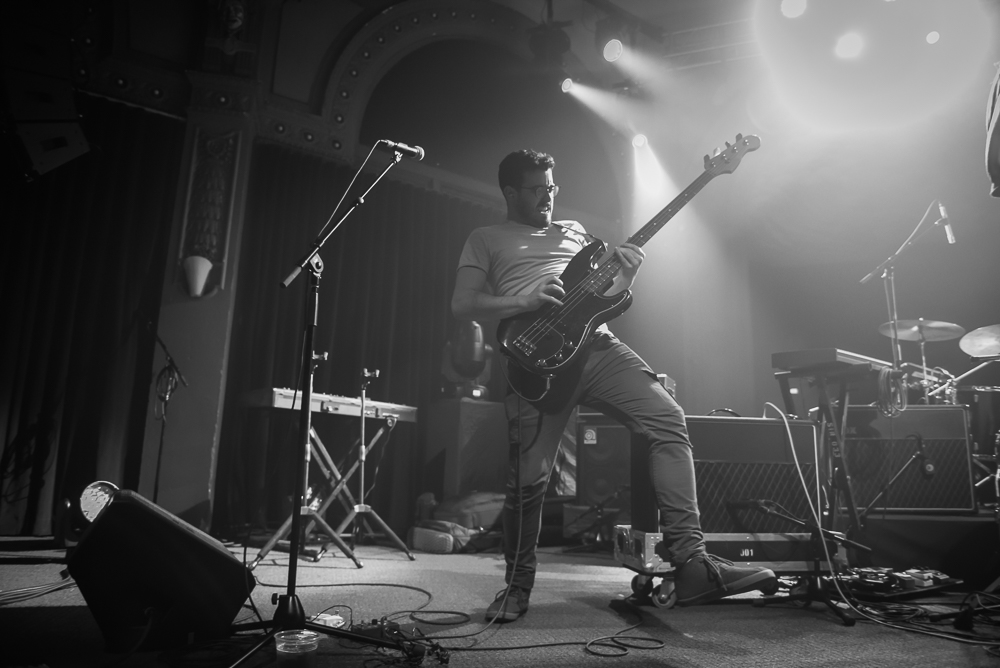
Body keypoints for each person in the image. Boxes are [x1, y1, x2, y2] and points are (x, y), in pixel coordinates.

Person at [451, 149, 776, 622]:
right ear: (510, 192)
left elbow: (602, 301)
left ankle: (692, 563)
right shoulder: (485, 239)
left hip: (598, 349)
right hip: (535, 357)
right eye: (538, 188)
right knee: (527, 482)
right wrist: (525, 296)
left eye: (552, 187)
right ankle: (516, 589)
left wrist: (626, 274)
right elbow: (463, 304)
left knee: (668, 419)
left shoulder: (575, 234)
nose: (548, 195)